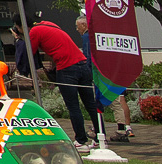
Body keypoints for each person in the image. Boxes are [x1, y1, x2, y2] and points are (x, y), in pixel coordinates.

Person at [11, 16, 97, 148]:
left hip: (67, 67)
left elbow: (29, 51)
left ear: (19, 27)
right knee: (90, 104)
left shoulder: (33, 32)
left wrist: (18, 40)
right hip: (82, 63)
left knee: (73, 106)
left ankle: (81, 140)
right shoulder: (48, 24)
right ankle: (100, 136)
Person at [74, 14, 135, 142]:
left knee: (103, 101)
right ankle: (119, 128)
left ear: (84, 25)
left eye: (77, 26)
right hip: (111, 72)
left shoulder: (87, 37)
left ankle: (101, 130)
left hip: (101, 75)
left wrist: (87, 73)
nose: (76, 29)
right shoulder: (101, 36)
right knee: (114, 101)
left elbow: (88, 57)